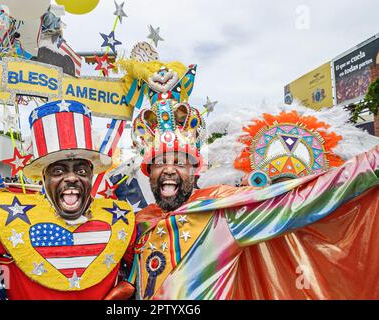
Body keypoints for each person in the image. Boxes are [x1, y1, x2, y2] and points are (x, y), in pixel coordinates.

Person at [118, 57, 379, 299]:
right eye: (160, 162)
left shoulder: (222, 211)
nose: (170, 169)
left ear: (194, 169)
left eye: (179, 162)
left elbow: (299, 202)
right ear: (148, 172)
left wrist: (372, 164)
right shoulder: (141, 222)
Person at [0, 100, 136, 300]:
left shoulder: (122, 220)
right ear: (44, 178)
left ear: (91, 176)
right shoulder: (6, 220)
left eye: (81, 170)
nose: (72, 177)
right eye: (58, 170)